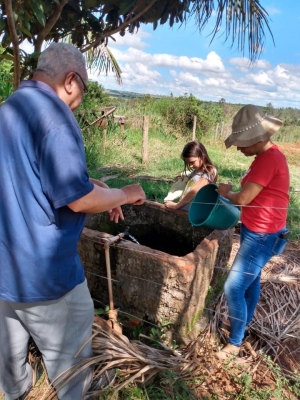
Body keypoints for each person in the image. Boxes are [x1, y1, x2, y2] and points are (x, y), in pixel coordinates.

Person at [0, 43, 146, 400]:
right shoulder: (55, 116)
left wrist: (101, 187)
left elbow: (36, 178)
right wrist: (124, 194)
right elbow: (79, 200)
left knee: (9, 366)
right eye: (84, 84)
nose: (82, 94)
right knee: (72, 369)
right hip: (47, 280)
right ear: (70, 80)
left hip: (5, 272)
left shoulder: (8, 110)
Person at [215, 104, 290, 360]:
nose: (238, 147)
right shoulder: (265, 158)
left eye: (241, 143)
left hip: (261, 236)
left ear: (257, 138)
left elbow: (244, 198)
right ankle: (243, 324)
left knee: (233, 288)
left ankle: (235, 343)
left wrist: (227, 193)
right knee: (251, 281)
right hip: (256, 230)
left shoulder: (269, 160)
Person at [164, 141, 217, 211]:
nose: (190, 165)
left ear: (202, 156)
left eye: (192, 162)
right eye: (188, 163)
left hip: (196, 213)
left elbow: (194, 191)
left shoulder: (210, 171)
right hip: (186, 210)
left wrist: (177, 205)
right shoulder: (196, 171)